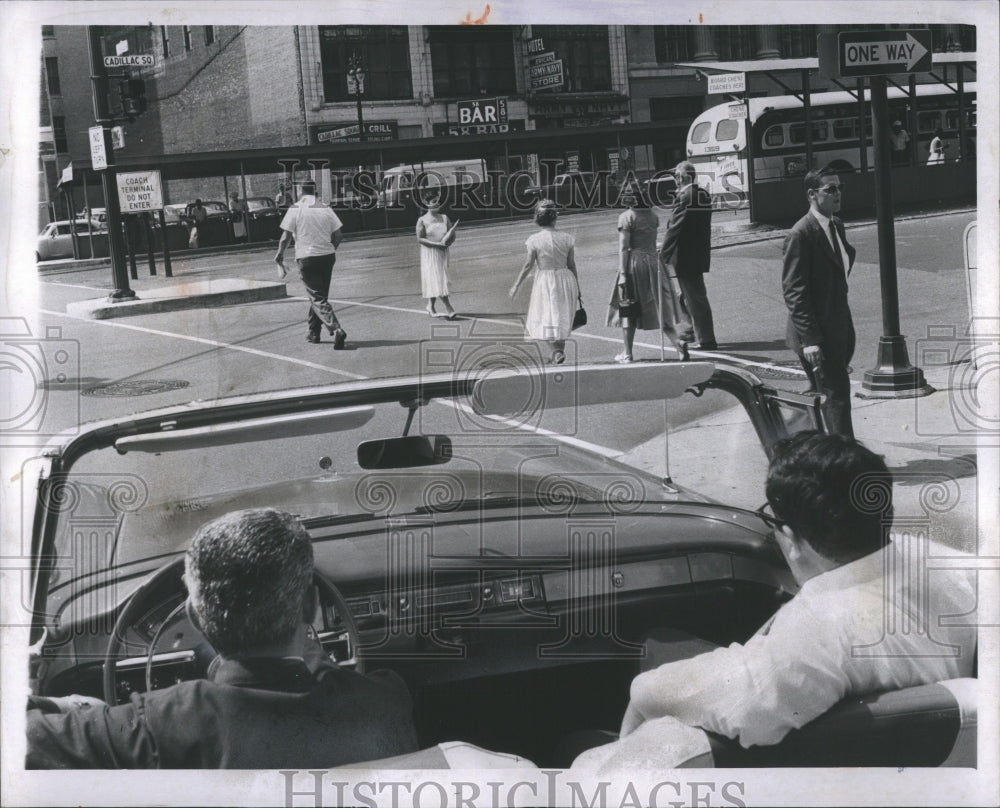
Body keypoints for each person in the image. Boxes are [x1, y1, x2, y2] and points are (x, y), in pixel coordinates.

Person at [586, 432, 977, 761]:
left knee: (593, 728)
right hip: (914, 754)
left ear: (791, 540)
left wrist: (643, 692)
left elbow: (747, 705)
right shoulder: (958, 569)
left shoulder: (817, 630)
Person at [26, 508, 419, 768]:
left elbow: (21, 742)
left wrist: (68, 705)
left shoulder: (159, 726)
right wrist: (312, 652)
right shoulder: (386, 701)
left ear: (195, 616)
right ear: (312, 606)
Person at [781, 165, 856, 437]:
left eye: (840, 188)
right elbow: (794, 292)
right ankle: (844, 459)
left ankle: (799, 442)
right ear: (812, 194)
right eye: (831, 189)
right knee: (836, 396)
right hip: (817, 334)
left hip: (838, 325)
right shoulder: (800, 234)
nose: (838, 194)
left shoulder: (835, 224)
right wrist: (810, 339)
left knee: (825, 391)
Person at [607, 183, 688, 363]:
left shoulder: (626, 217)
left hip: (635, 263)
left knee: (629, 307)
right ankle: (678, 343)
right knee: (659, 305)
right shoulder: (652, 216)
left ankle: (627, 353)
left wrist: (622, 273)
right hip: (653, 261)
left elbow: (624, 247)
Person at [275, 181, 347, 347]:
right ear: (315, 191)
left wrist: (279, 255)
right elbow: (338, 235)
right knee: (319, 296)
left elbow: (285, 237)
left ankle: (336, 329)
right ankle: (314, 333)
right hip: (327, 256)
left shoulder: (296, 208)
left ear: (301, 191)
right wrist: (330, 249)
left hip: (306, 257)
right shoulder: (325, 208)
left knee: (317, 297)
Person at [509, 200, 581, 365]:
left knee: (544, 315)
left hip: (545, 280)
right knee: (560, 314)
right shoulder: (567, 238)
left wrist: (516, 285)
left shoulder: (534, 240)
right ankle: (559, 352)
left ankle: (556, 352)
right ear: (555, 218)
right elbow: (571, 264)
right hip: (565, 278)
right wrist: (577, 286)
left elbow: (528, 265)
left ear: (538, 219)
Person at [658, 161, 716, 351]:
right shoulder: (701, 194)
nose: (675, 179)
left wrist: (663, 254)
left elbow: (675, 228)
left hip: (686, 257)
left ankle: (706, 339)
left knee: (694, 298)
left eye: (677, 176)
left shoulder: (686, 196)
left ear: (684, 177)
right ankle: (691, 331)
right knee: (685, 296)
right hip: (696, 254)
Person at [415, 193, 458, 319]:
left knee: (436, 279)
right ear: (427, 204)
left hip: (443, 252)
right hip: (430, 253)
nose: (437, 203)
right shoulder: (422, 220)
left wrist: (447, 243)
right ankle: (449, 308)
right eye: (434, 201)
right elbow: (420, 239)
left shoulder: (444, 217)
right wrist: (436, 244)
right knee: (438, 279)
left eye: (438, 201)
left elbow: (452, 234)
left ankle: (430, 306)